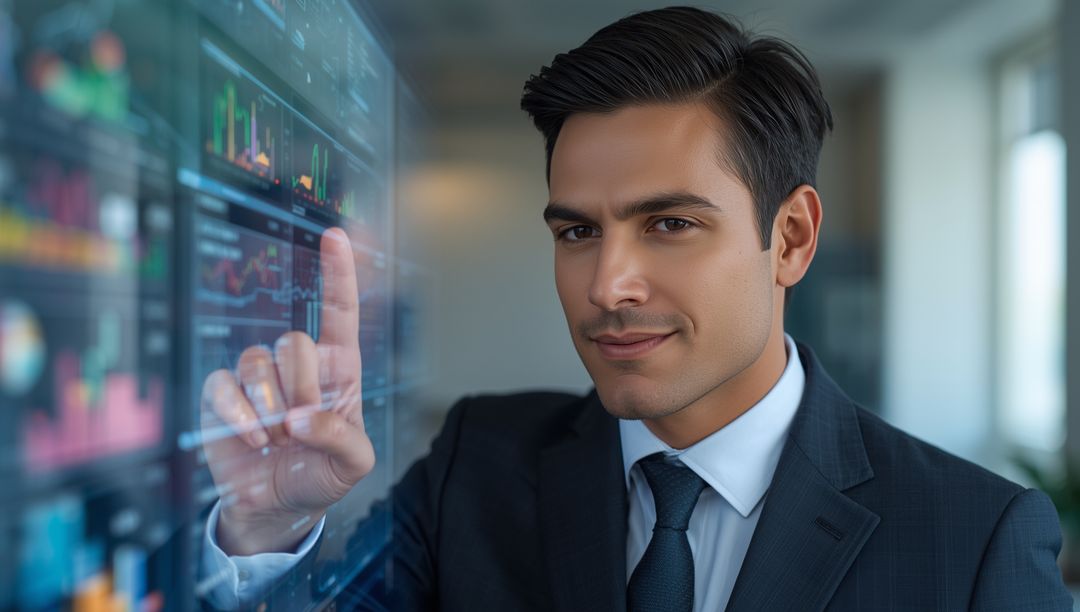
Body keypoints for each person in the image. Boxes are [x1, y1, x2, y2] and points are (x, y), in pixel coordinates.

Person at [198, 6, 1073, 611]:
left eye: (670, 224)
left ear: (792, 239)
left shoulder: (974, 536)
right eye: (577, 232)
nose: (608, 285)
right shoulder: (479, 466)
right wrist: (264, 529)